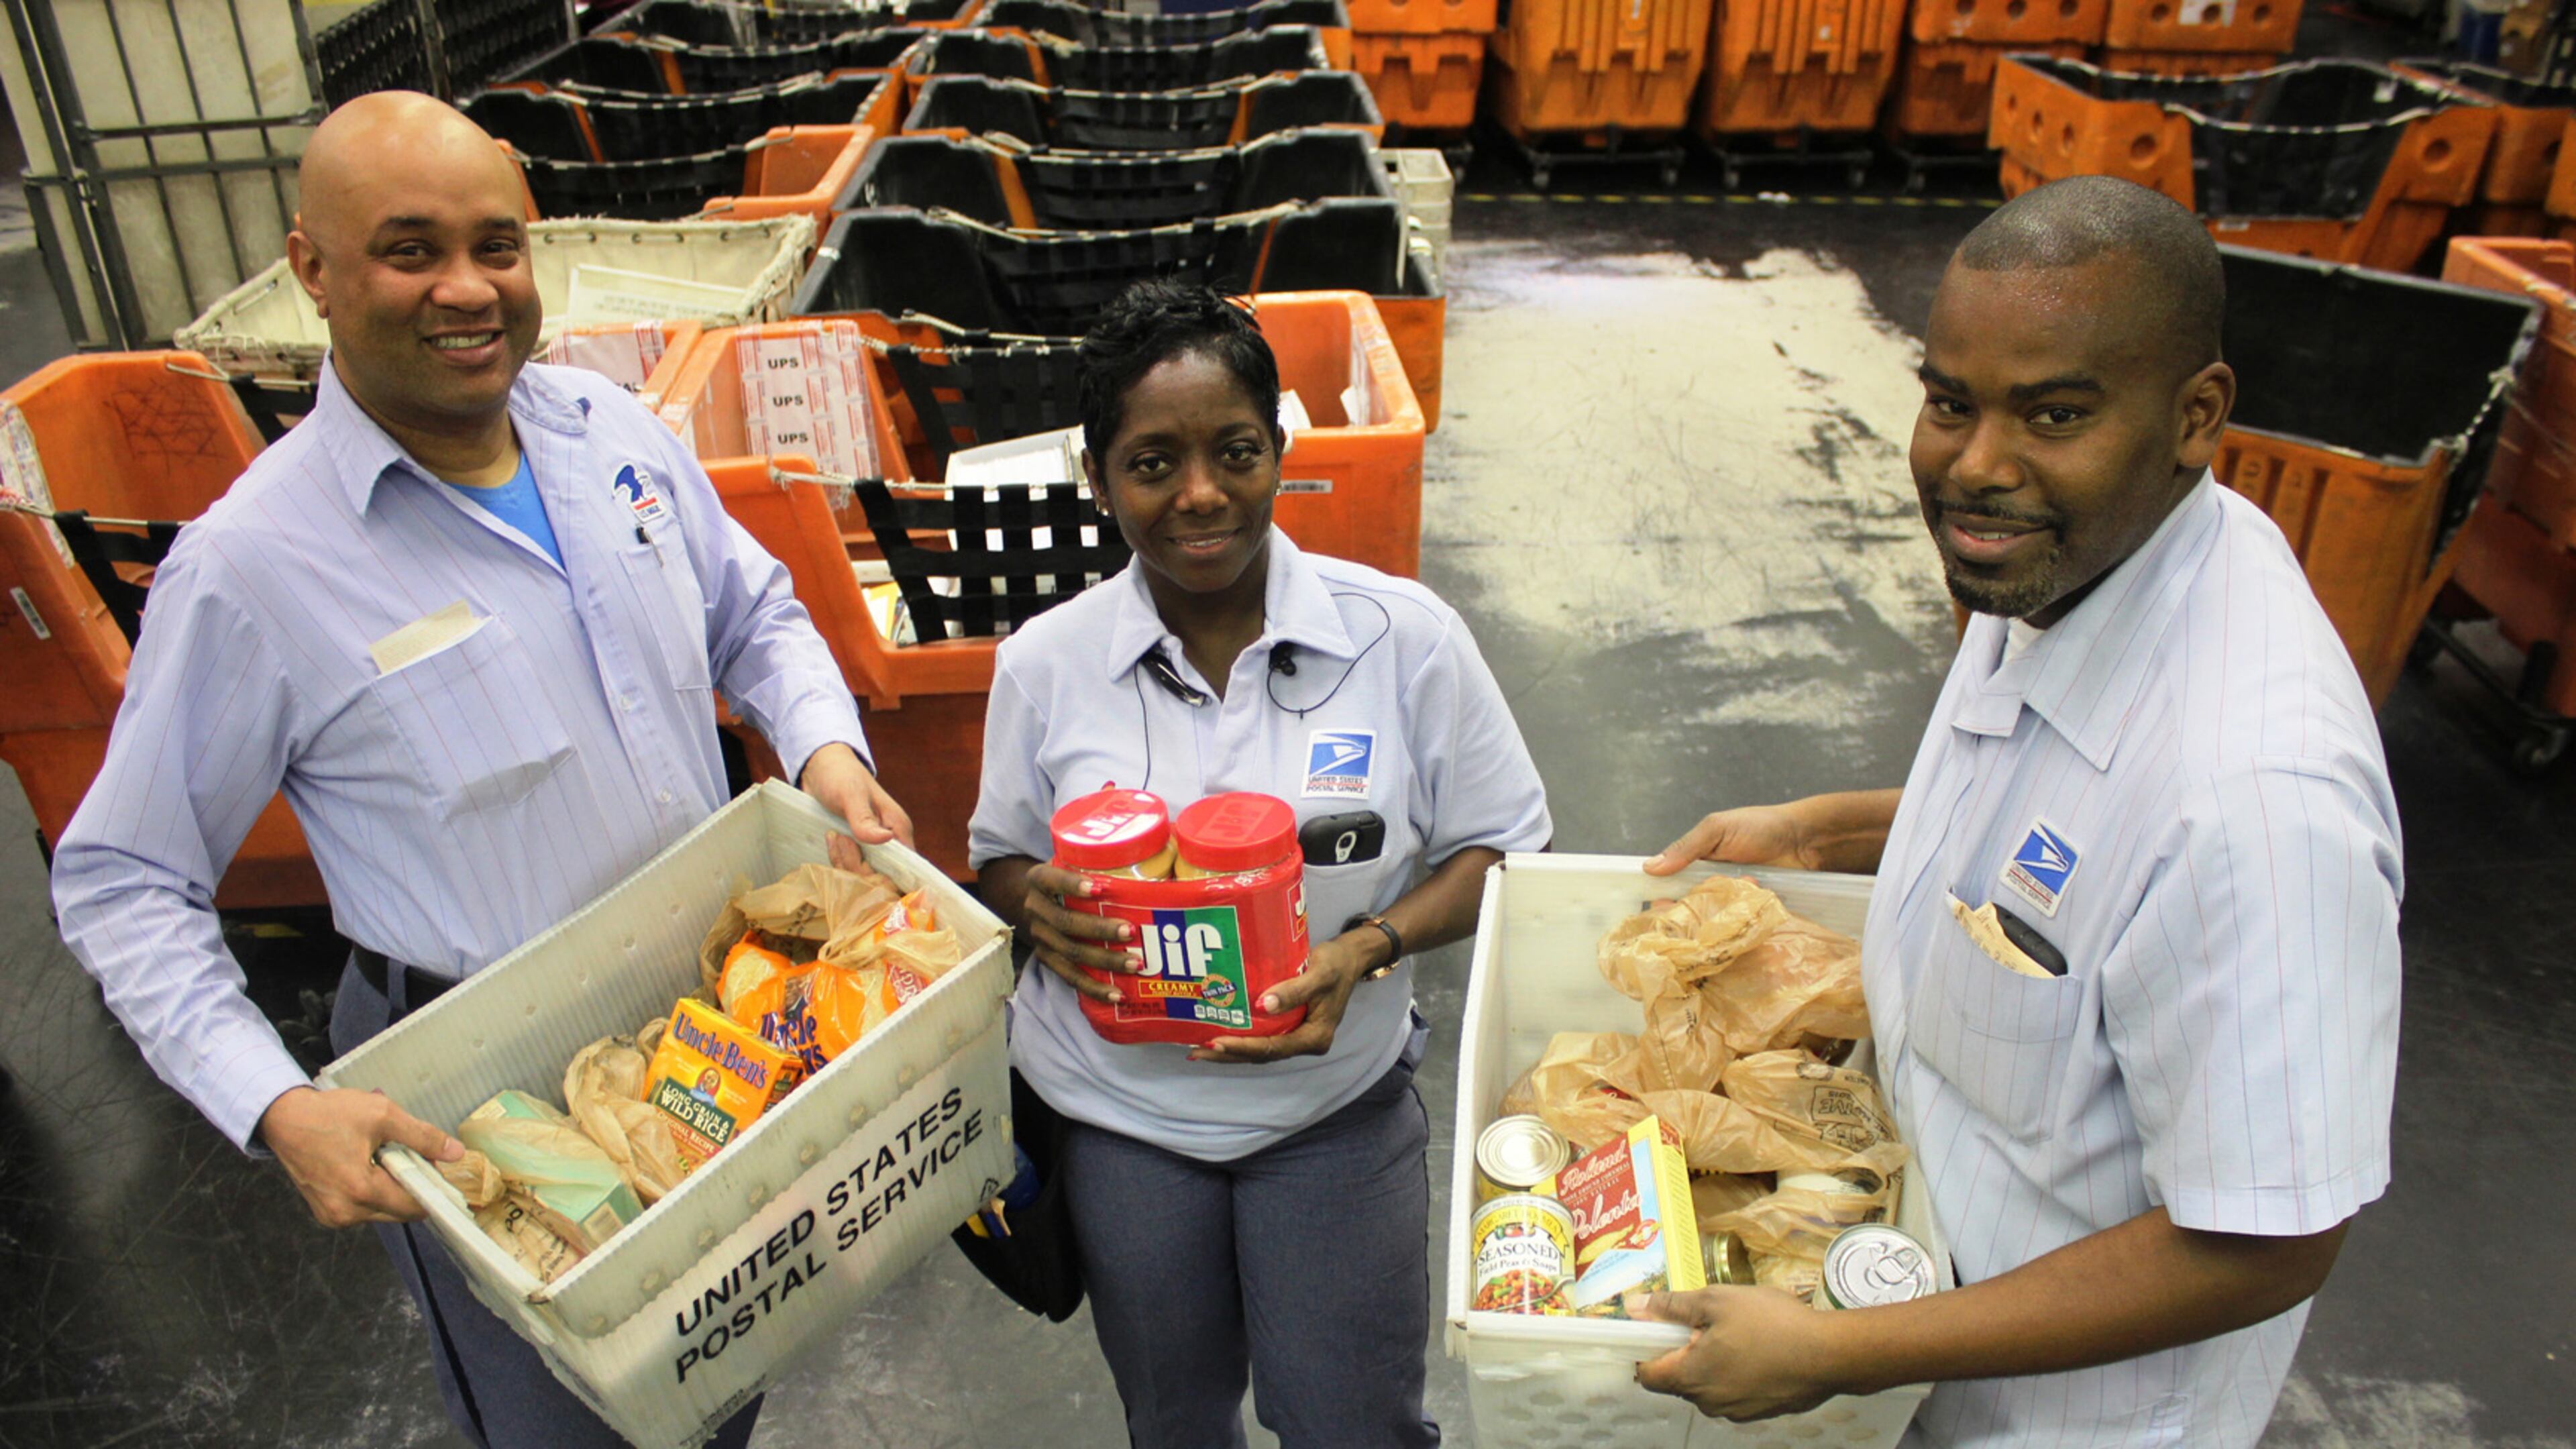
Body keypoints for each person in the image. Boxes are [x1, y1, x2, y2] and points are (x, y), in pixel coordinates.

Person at [48, 93, 910, 1449]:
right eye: (411, 251)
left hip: (706, 1024)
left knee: (721, 1371)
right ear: (312, 269)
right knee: (575, 1421)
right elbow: (123, 880)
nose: (467, 289)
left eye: (496, 246)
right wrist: (277, 1104)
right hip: (483, 1100)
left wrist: (823, 748)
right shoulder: (255, 567)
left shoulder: (608, 434)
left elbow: (752, 612)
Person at [1632, 176, 2403, 1446]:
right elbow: (2069, 825)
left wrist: (1846, 1352)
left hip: (2050, 1413)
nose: (1976, 468)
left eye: (2054, 415)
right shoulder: (2072, 558)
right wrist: (1825, 833)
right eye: (1950, 403)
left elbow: (2269, 1239)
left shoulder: (2259, 805)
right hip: (1917, 1295)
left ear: (2196, 416)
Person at [969, 279, 1550, 1448]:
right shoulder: (1045, 664)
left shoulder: (1401, 640)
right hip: (1123, 1117)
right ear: (1097, 479)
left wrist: (1369, 947)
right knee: (1174, 1417)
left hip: (1331, 1110)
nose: (1201, 494)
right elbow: (999, 858)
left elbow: (1504, 849)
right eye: (1152, 464)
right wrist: (1040, 906)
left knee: (1352, 1423)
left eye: (1235, 451)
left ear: (1280, 449)